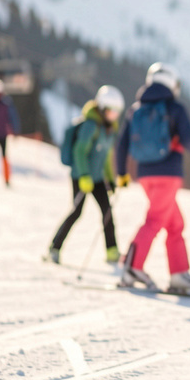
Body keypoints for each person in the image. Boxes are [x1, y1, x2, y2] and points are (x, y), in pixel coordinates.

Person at [115, 63, 190, 296]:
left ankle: (178, 274)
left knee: (175, 223)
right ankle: (132, 266)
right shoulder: (174, 108)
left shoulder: (135, 110)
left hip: (145, 175)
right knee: (155, 220)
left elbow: (122, 145)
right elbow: (189, 140)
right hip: (169, 173)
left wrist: (121, 173)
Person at [47, 85, 125, 264]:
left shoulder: (109, 129)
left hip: (97, 178)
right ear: (103, 108)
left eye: (117, 112)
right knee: (76, 212)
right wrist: (83, 175)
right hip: (80, 176)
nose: (115, 116)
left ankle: (112, 251)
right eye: (112, 111)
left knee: (107, 213)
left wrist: (111, 179)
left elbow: (106, 156)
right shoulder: (91, 125)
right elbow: (79, 151)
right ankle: (54, 248)